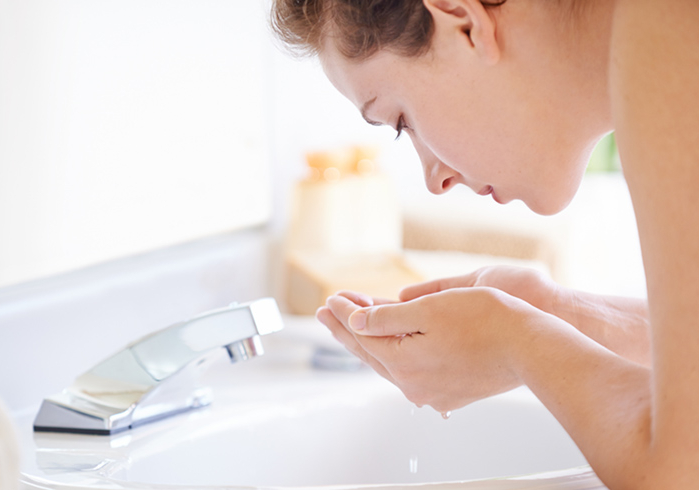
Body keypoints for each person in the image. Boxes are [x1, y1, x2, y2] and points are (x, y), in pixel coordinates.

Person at [270, 0, 699, 488]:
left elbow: (681, 470)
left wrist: (515, 343)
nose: (435, 179)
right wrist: (561, 316)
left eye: (401, 121)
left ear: (464, 24)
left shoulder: (668, 23)